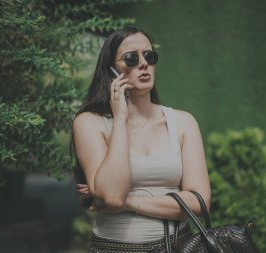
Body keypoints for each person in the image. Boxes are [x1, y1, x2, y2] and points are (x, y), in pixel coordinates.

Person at [71, 26, 211, 252]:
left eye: (149, 55)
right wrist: (120, 118)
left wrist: (130, 202)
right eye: (131, 58)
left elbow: (197, 202)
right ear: (111, 70)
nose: (143, 63)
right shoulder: (90, 122)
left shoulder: (183, 122)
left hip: (177, 246)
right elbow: (112, 196)